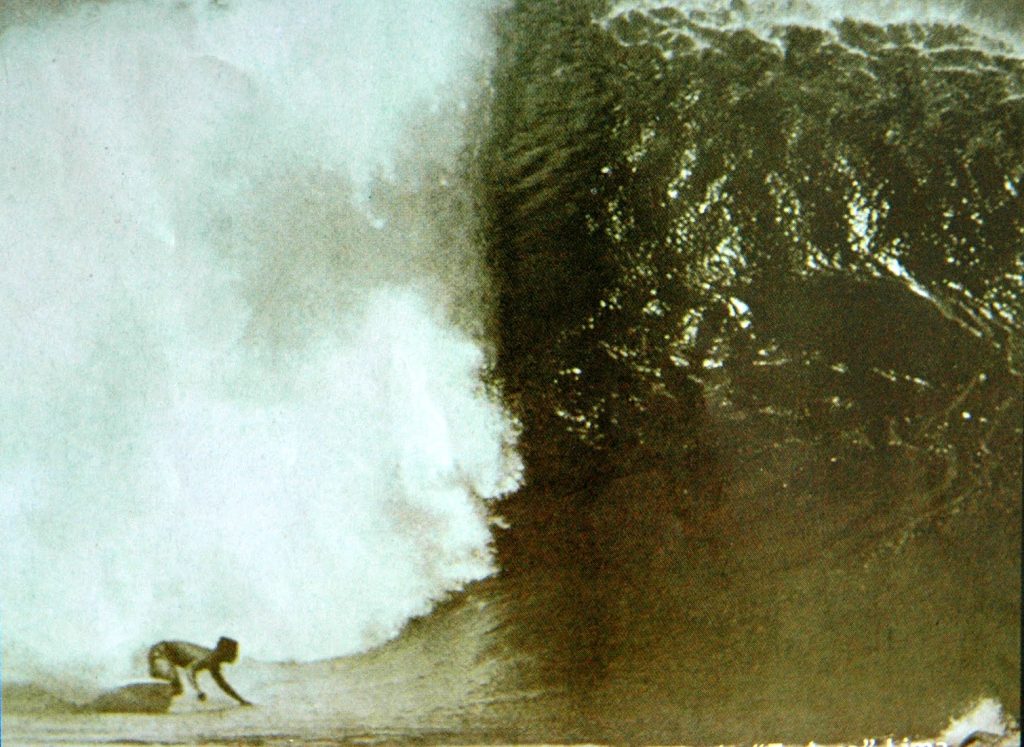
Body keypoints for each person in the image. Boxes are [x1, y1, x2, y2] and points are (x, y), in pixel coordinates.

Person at [147, 636, 252, 706]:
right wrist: (198, 690)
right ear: (224, 652)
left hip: (163, 656)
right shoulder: (207, 658)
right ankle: (151, 700)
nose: (236, 656)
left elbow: (223, 684)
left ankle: (154, 702)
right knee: (176, 685)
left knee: (176, 689)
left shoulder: (214, 662)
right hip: (160, 652)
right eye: (234, 653)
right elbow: (189, 670)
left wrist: (241, 700)